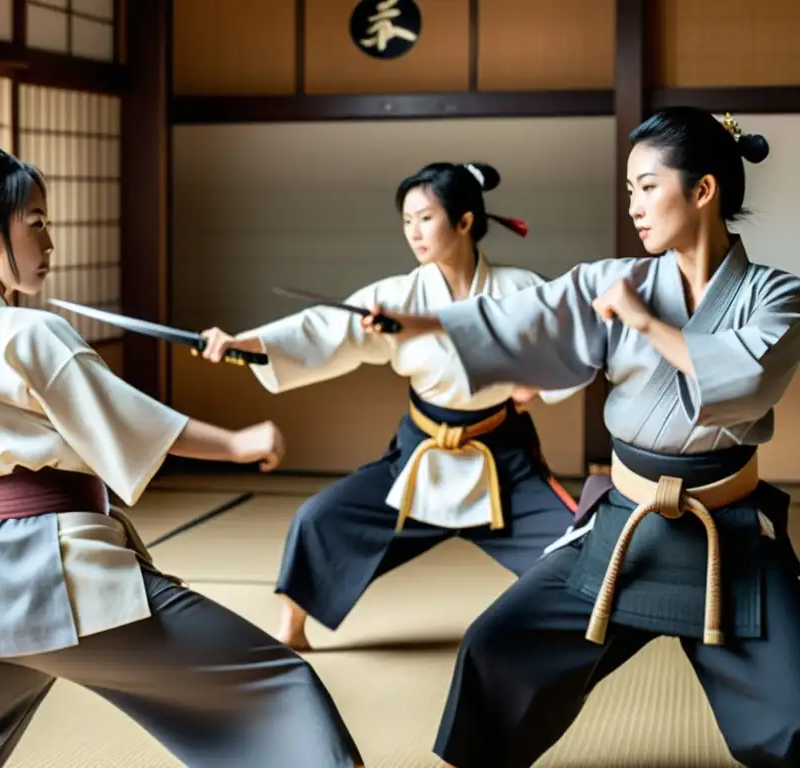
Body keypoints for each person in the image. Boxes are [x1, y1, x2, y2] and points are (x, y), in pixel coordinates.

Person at [360, 109, 800, 767]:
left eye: (647, 186)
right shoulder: (614, 280)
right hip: (626, 530)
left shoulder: (777, 293)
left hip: (728, 537)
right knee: (495, 646)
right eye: (629, 190)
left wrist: (642, 321)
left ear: (703, 190)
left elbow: (744, 380)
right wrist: (420, 322)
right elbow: (521, 319)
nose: (634, 206)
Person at [0, 144, 363, 768]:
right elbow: (127, 420)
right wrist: (238, 444)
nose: (49, 243)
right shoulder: (29, 333)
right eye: (37, 222)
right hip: (58, 577)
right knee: (281, 686)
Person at [200, 161, 583, 651]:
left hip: (501, 460)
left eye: (425, 218)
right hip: (419, 454)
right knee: (320, 519)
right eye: (406, 221)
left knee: (576, 546)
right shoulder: (396, 296)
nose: (414, 233)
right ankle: (291, 629)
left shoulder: (521, 288)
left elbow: (572, 343)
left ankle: (572, 643)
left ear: (464, 222)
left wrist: (537, 380)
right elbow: (321, 330)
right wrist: (244, 343)